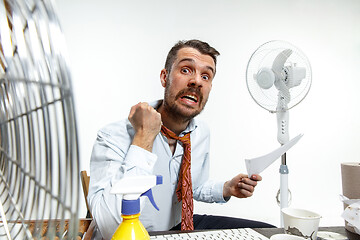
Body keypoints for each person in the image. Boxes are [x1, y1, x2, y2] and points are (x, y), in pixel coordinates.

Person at [88, 39, 274, 240]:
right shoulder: (113, 136)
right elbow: (110, 227)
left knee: (267, 233)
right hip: (135, 234)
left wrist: (226, 188)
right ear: (164, 77)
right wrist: (143, 138)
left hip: (180, 227)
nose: (196, 81)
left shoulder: (201, 132)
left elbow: (192, 186)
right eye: (186, 70)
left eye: (206, 75)